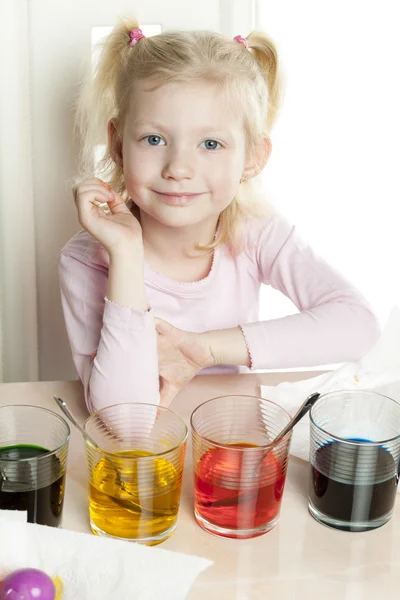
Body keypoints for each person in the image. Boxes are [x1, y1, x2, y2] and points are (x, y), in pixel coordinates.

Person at [59, 19, 380, 414]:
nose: (178, 167)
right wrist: (126, 254)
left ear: (252, 158)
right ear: (117, 145)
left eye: (210, 143)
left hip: (232, 445)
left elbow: (359, 324)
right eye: (154, 139)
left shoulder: (255, 232)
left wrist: (205, 349)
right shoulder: (86, 261)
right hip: (150, 458)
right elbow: (123, 420)